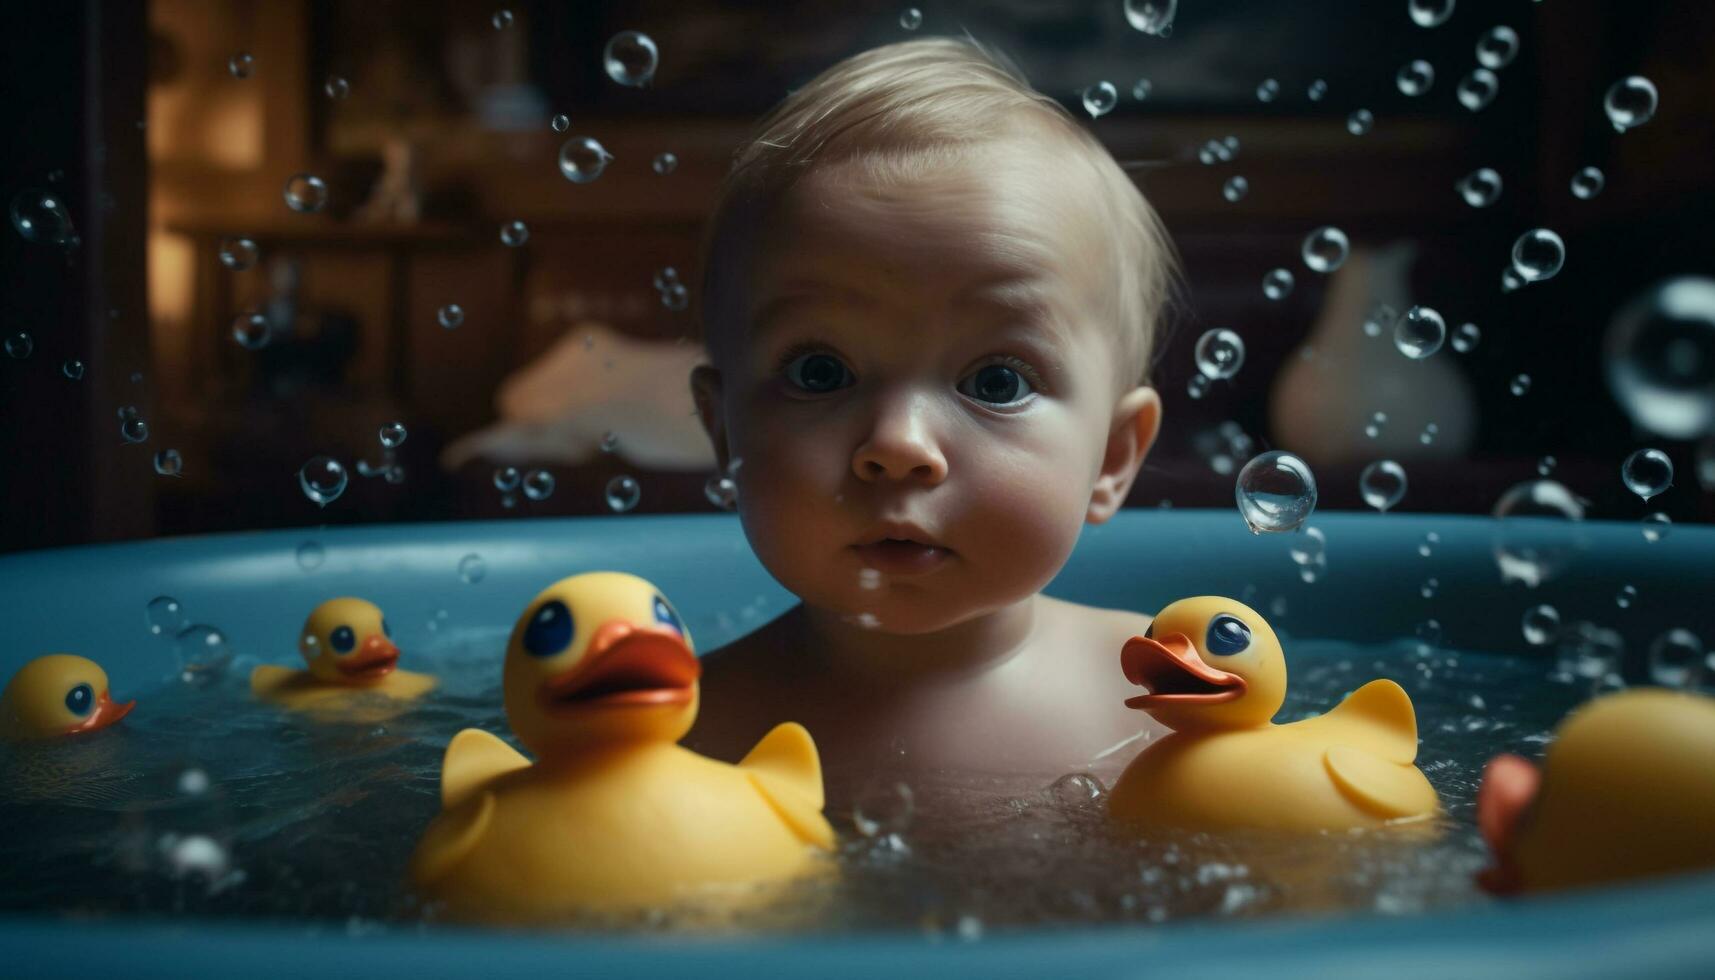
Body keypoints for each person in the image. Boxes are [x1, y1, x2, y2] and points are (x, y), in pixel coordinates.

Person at [683, 37, 1180, 797]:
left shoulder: (1172, 695)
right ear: (726, 435)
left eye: (996, 380)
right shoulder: (682, 728)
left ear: (1112, 457)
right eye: (820, 373)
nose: (897, 445)